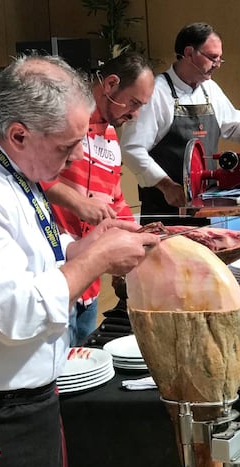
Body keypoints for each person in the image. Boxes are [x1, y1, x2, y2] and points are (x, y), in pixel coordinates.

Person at [0, 53, 159, 467]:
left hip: (30, 399)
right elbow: (14, 310)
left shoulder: (10, 167)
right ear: (18, 134)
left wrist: (81, 248)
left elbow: (35, 250)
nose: (72, 162)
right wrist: (98, 259)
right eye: (66, 148)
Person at [41, 53, 154, 346]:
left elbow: (115, 200)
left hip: (91, 282)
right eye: (134, 103)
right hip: (54, 273)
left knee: (83, 364)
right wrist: (78, 203)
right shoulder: (63, 121)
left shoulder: (113, 137)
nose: (135, 114)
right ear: (111, 84)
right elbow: (33, 175)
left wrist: (141, 237)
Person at [120, 22, 240, 226]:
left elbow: (235, 126)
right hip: (164, 209)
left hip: (203, 204)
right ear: (189, 53)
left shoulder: (210, 89)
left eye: (220, 59)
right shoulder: (157, 92)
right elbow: (132, 148)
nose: (217, 64)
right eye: (212, 57)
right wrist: (166, 186)